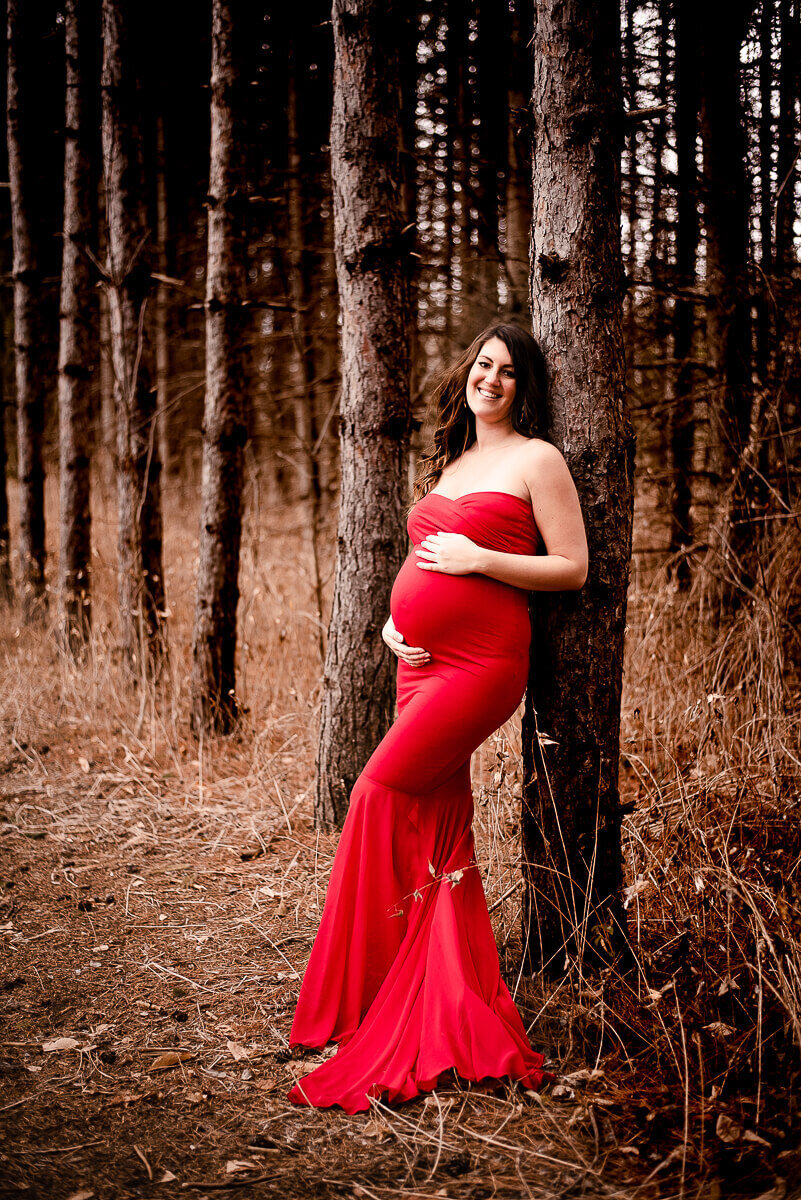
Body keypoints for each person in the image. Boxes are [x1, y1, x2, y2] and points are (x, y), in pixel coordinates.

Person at [287, 322, 589, 1113]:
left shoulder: (536, 459)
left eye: (508, 372)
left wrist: (479, 559)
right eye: (483, 365)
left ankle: (368, 992)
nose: (490, 379)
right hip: (415, 666)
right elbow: (423, 554)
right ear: (467, 372)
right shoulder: (454, 460)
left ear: (525, 387)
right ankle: (427, 990)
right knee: (436, 822)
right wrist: (395, 625)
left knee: (375, 793)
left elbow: (570, 566)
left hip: (482, 666)